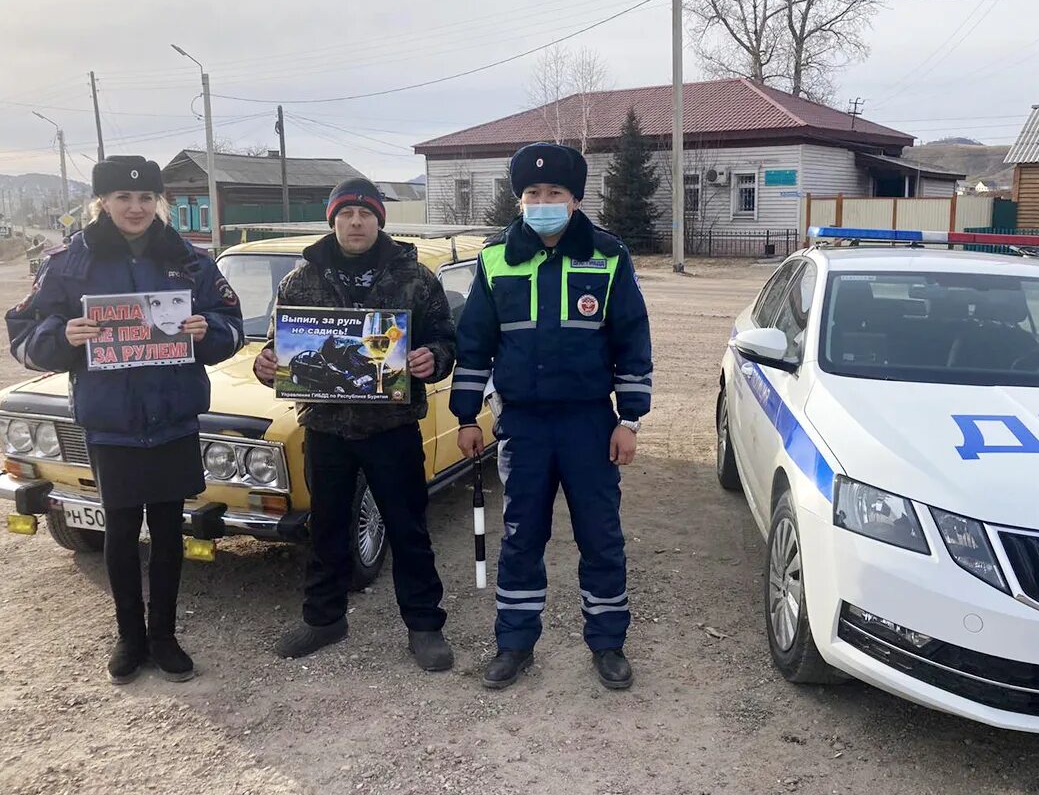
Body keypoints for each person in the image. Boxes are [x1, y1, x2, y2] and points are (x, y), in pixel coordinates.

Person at [6, 155, 244, 684]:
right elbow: (22, 327)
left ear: (159, 202)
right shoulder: (68, 262)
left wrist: (210, 332)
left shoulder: (191, 261)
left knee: (166, 528)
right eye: (122, 198)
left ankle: (164, 635)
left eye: (144, 198)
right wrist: (59, 339)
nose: (134, 208)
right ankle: (129, 637)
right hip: (111, 420)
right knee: (119, 528)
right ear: (102, 203)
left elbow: (232, 327)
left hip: (173, 416)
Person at [451, 142, 653, 690]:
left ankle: (608, 643)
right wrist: (466, 416)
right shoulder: (496, 258)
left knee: (600, 536)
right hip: (524, 424)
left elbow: (633, 341)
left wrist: (629, 420)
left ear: (576, 199)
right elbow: (475, 344)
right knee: (522, 537)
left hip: (589, 422)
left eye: (555, 193)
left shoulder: (609, 256)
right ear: (519, 201)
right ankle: (515, 644)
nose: (543, 201)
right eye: (533, 193)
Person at [252, 178, 458, 670]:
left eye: (366, 214)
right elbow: (278, 346)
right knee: (326, 526)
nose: (356, 222)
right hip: (324, 428)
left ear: (380, 220)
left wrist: (436, 357)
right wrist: (266, 365)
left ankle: (425, 626)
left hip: (392, 427)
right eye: (346, 214)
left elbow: (446, 339)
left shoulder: (415, 278)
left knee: (409, 528)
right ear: (333, 220)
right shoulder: (300, 280)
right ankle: (324, 619)